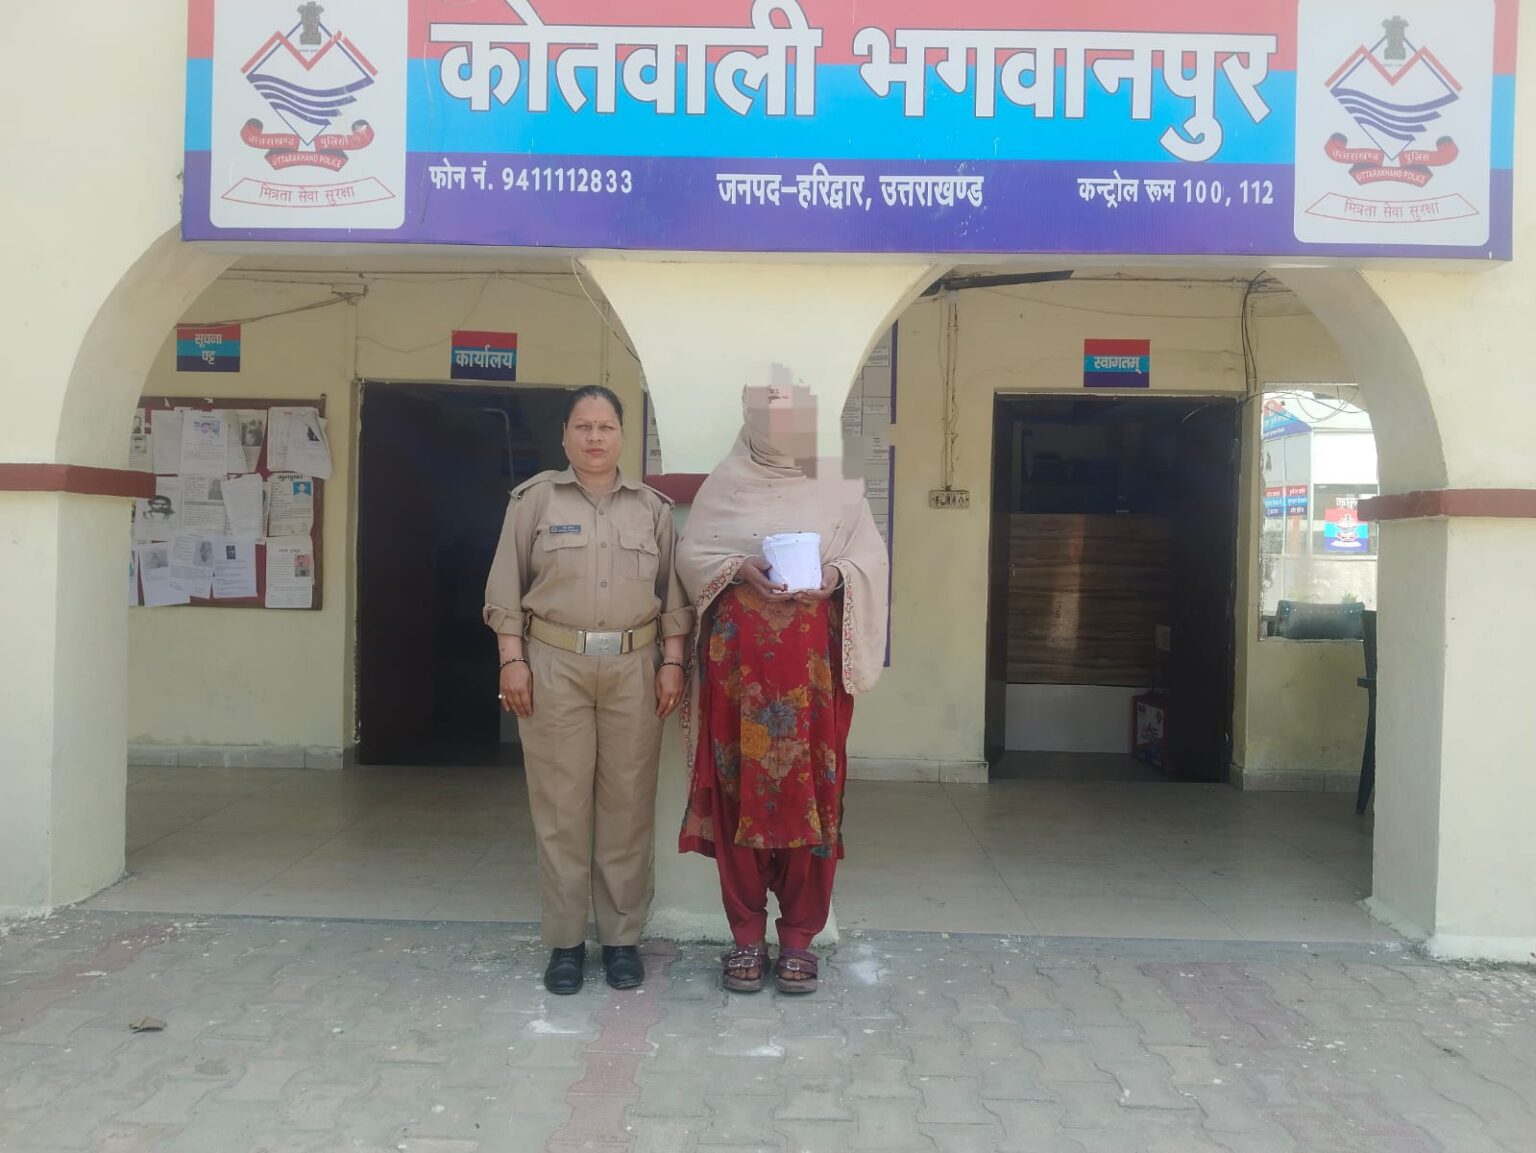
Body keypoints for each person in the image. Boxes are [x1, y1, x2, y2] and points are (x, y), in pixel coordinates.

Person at [675, 385, 889, 994]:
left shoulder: (839, 488)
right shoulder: (724, 484)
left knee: (812, 800)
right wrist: (738, 567)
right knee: (736, 797)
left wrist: (835, 574)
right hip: (736, 684)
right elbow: (691, 557)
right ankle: (745, 936)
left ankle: (799, 940)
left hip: (812, 686)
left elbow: (870, 561)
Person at [484, 386, 692, 995]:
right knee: (560, 809)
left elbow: (672, 596)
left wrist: (672, 662)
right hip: (554, 665)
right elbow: (505, 589)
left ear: (622, 435)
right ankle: (566, 943)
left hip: (633, 667)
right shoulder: (533, 501)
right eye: (583, 426)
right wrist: (511, 661)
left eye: (605, 426)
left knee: (628, 807)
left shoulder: (651, 509)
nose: (594, 437)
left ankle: (621, 940)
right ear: (565, 435)